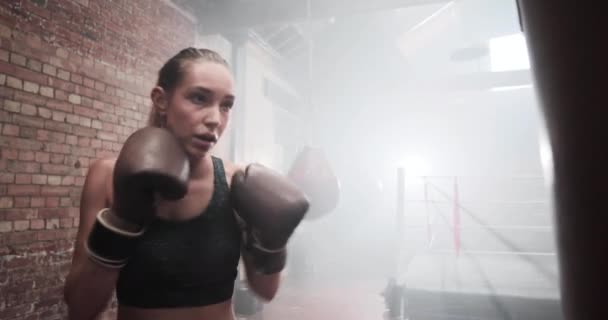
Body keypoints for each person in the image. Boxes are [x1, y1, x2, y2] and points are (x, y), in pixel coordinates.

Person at [63, 47, 316, 320]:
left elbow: (266, 291)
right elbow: (81, 307)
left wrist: (273, 241)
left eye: (226, 105)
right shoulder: (107, 177)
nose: (215, 119)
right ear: (161, 100)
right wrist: (123, 220)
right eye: (199, 98)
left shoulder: (238, 184)